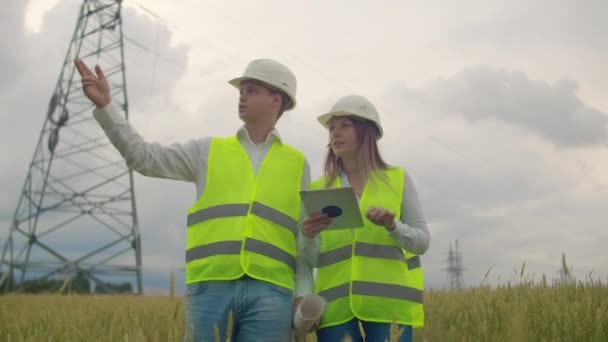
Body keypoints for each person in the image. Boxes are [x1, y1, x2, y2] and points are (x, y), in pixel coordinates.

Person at [75, 58, 313, 342]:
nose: (241, 95)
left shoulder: (298, 164)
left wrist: (303, 293)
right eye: (241, 90)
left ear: (277, 99)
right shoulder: (207, 151)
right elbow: (143, 158)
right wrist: (106, 107)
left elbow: (302, 236)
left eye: (251, 90)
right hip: (210, 287)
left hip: (272, 293)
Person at [301, 95, 430, 342]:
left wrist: (392, 226)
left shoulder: (398, 179)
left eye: (345, 126)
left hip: (389, 308)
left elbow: (422, 242)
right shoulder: (318, 190)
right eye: (332, 128)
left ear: (367, 132)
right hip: (335, 309)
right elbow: (314, 259)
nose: (334, 134)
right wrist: (307, 237)